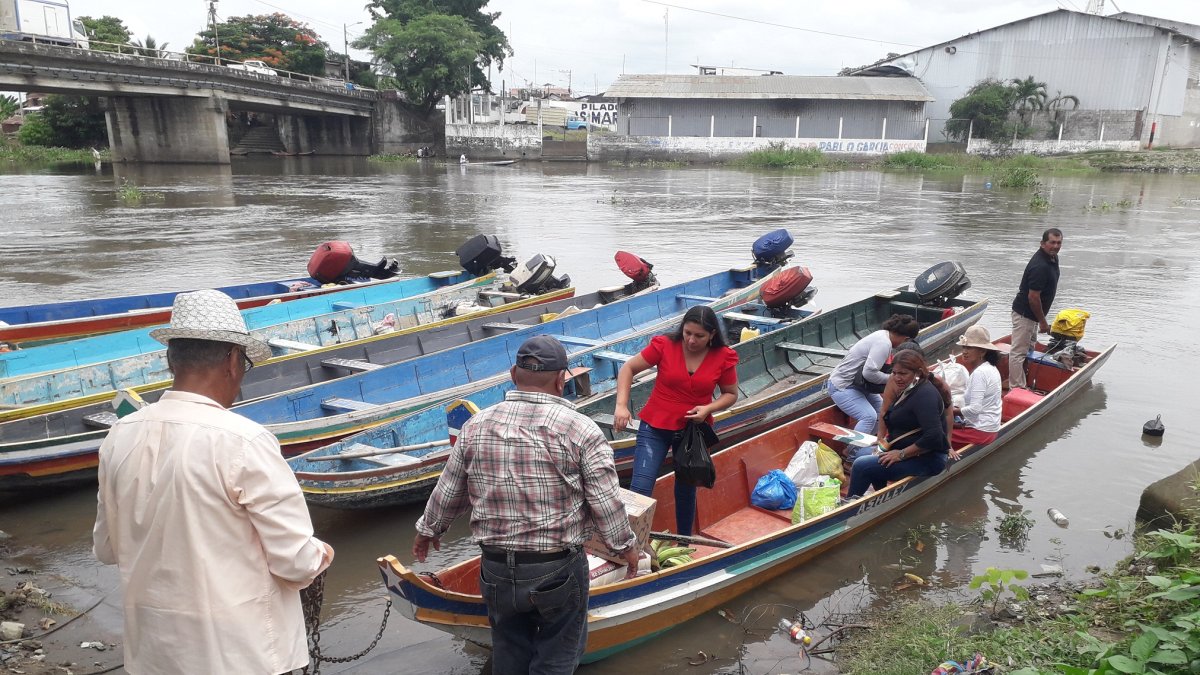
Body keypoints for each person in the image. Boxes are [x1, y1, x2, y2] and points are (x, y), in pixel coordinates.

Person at [93, 289, 333, 675]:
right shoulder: (244, 440)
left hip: (154, 654)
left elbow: (106, 548)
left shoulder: (120, 435)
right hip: (240, 657)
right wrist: (323, 553)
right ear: (232, 360)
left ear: (172, 359)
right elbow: (297, 563)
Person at [414, 335, 637, 675]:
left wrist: (428, 531)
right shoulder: (582, 430)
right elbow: (606, 504)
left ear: (512, 374)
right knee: (556, 658)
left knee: (509, 653)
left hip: (495, 567)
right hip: (556, 570)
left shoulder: (476, 425)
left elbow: (450, 490)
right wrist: (626, 547)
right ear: (563, 380)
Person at [613, 306, 739, 536]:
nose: (691, 340)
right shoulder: (665, 345)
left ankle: (683, 542)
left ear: (712, 334)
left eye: (699, 336)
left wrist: (709, 408)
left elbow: (731, 394)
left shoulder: (723, 356)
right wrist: (621, 405)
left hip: (693, 432)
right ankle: (629, 544)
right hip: (655, 425)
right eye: (687, 333)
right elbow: (628, 368)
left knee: (685, 490)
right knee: (640, 489)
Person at [847, 349, 952, 498]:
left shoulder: (924, 395)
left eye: (903, 374)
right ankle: (881, 496)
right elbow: (886, 413)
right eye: (894, 373)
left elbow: (934, 436)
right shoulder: (909, 389)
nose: (897, 378)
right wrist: (882, 439)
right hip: (906, 448)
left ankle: (850, 505)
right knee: (862, 453)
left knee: (861, 465)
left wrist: (900, 454)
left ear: (917, 372)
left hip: (929, 458)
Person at [827, 314, 920, 434]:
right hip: (842, 386)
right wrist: (893, 378)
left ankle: (871, 442)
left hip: (860, 386)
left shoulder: (883, 334)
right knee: (868, 417)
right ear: (906, 339)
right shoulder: (884, 343)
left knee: (883, 411)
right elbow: (869, 373)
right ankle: (852, 451)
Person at [1010, 228, 1062, 389]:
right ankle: (1016, 388)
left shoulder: (1052, 258)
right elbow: (1033, 297)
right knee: (1018, 353)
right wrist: (1043, 323)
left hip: (1033, 316)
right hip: (1025, 314)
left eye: (1059, 243)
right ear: (1042, 244)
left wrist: (1039, 320)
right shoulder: (1040, 266)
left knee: (1030, 347)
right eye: (1052, 242)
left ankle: (1023, 380)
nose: (1055, 246)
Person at [950, 325, 1006, 452]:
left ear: (982, 351)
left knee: (929, 434)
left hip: (981, 432)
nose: (964, 351)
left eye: (969, 348)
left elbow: (975, 409)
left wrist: (949, 411)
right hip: (988, 427)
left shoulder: (980, 373)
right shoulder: (991, 368)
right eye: (964, 347)